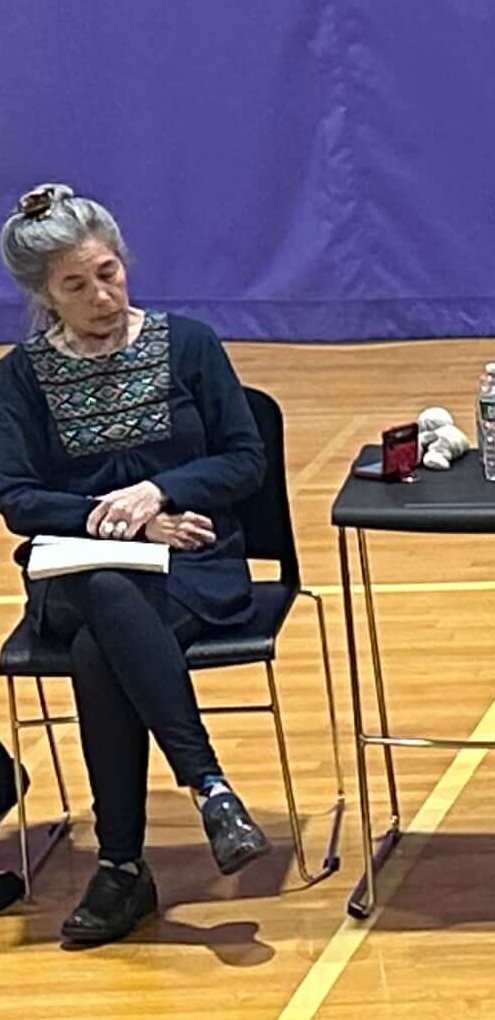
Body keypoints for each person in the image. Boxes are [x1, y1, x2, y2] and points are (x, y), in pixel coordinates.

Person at [0, 183, 275, 946]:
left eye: (108, 272)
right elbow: (20, 500)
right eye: (75, 285)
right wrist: (128, 519)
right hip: (78, 569)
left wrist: (163, 487)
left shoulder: (187, 343)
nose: (100, 295)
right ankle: (209, 787)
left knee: (100, 644)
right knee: (106, 588)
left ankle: (123, 867)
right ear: (44, 296)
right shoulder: (21, 377)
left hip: (191, 568)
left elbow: (244, 460)